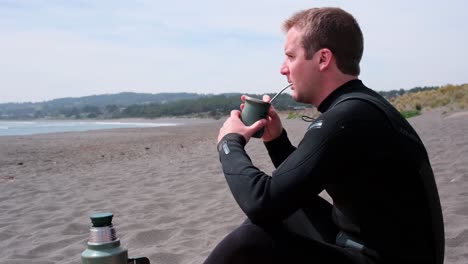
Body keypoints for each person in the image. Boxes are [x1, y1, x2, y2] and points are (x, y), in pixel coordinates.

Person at [205, 7, 444, 264]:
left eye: (290, 57)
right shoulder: (360, 106)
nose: (283, 69)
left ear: (323, 59)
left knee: (250, 241)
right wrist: (276, 141)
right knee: (284, 213)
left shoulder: (347, 117)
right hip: (376, 246)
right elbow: (295, 186)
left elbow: (261, 202)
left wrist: (229, 143)